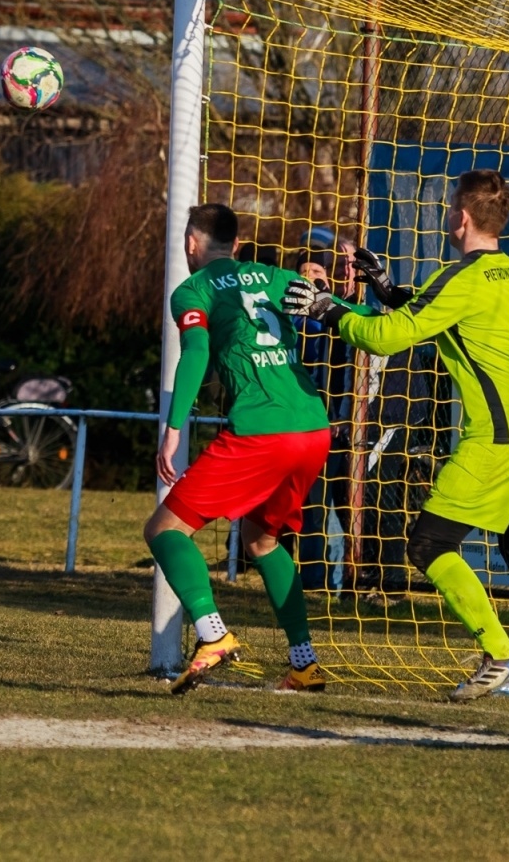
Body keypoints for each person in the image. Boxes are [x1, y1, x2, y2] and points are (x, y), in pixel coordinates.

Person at [285, 169, 509, 703]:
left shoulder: (462, 276)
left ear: (461, 218)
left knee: (429, 543)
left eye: (451, 208)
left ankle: (498, 654)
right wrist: (384, 288)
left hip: (503, 429)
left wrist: (327, 310)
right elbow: (439, 314)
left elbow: (385, 336)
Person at [149, 204, 346, 695]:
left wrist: (174, 429)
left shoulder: (191, 291)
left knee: (165, 530)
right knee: (261, 539)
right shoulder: (276, 277)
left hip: (262, 432)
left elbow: (194, 353)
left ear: (191, 243)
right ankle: (304, 663)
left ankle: (213, 635)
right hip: (313, 429)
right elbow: (351, 316)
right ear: (236, 245)